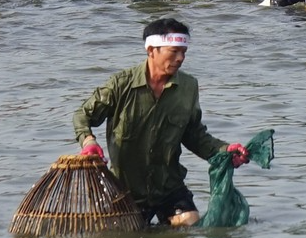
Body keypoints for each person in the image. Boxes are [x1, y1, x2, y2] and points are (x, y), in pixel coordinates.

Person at [72, 18, 248, 226]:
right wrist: (89, 141)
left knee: (189, 225)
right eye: (174, 51)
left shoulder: (188, 87)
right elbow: (83, 115)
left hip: (169, 187)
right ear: (151, 50)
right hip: (126, 191)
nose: (180, 58)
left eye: (184, 52)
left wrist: (224, 150)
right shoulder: (121, 84)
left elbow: (195, 136)